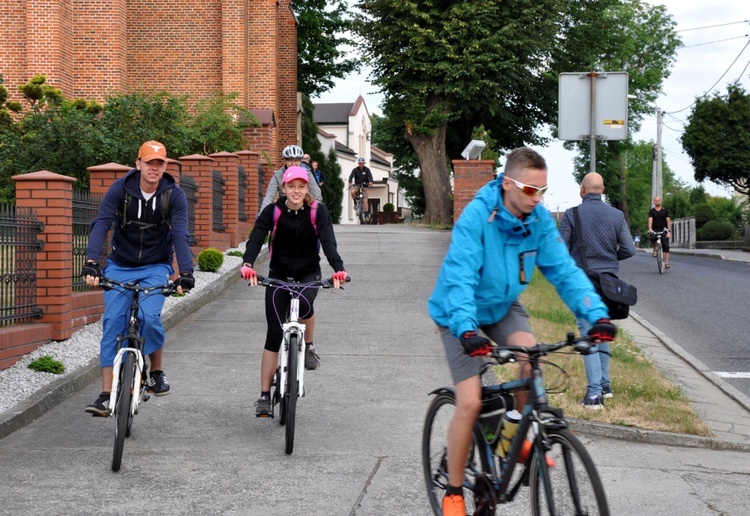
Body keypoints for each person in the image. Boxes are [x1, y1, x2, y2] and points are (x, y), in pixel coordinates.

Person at [427, 148, 617, 516]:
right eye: (531, 190)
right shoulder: (477, 217)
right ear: (509, 184)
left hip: (501, 306)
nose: (538, 198)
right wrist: (467, 331)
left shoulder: (538, 220)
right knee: (470, 400)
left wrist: (596, 316)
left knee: (530, 359)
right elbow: (461, 278)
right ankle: (452, 490)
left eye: (543, 191)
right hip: (458, 312)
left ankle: (509, 438)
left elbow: (564, 270)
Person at [81, 140, 195, 416]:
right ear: (138, 164)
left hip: (156, 265)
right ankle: (106, 395)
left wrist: (186, 273)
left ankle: (156, 371)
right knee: (112, 323)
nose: (154, 168)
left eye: (159, 163)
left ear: (165, 166)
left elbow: (180, 233)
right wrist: (91, 263)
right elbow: (101, 224)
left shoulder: (174, 195)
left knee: (149, 317)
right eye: (149, 163)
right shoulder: (121, 190)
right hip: (120, 265)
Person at [240, 166, 348, 417]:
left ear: (307, 188)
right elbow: (256, 237)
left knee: (306, 307)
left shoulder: (317, 212)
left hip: (308, 274)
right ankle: (265, 397)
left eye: (301, 186)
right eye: (291, 186)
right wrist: (247, 264)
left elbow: (329, 241)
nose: (296, 191)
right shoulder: (274, 211)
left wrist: (339, 269)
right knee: (274, 335)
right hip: (278, 276)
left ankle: (308, 346)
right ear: (284, 188)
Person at [559, 172, 636, 409]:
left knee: (589, 334)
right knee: (601, 331)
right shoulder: (616, 215)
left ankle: (594, 395)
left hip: (583, 283)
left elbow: (560, 249)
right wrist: (612, 257)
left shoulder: (572, 215)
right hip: (609, 284)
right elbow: (630, 249)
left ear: (582, 190)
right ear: (602, 191)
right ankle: (604, 384)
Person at [259, 145, 322, 214]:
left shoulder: (307, 173)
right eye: (290, 160)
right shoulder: (278, 175)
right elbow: (269, 196)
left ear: (301, 161)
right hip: (285, 210)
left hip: (304, 210)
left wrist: (315, 213)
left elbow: (317, 196)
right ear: (285, 161)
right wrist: (262, 215)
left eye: (296, 160)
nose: (293, 164)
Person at [648, 196, 672, 268]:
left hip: (664, 230)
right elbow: (650, 220)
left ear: (661, 201)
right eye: (656, 200)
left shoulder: (665, 211)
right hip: (655, 229)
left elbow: (668, 221)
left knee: (666, 246)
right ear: (654, 202)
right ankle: (655, 250)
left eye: (658, 200)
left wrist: (669, 231)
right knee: (652, 237)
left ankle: (667, 263)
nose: (657, 201)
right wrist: (650, 229)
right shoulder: (651, 211)